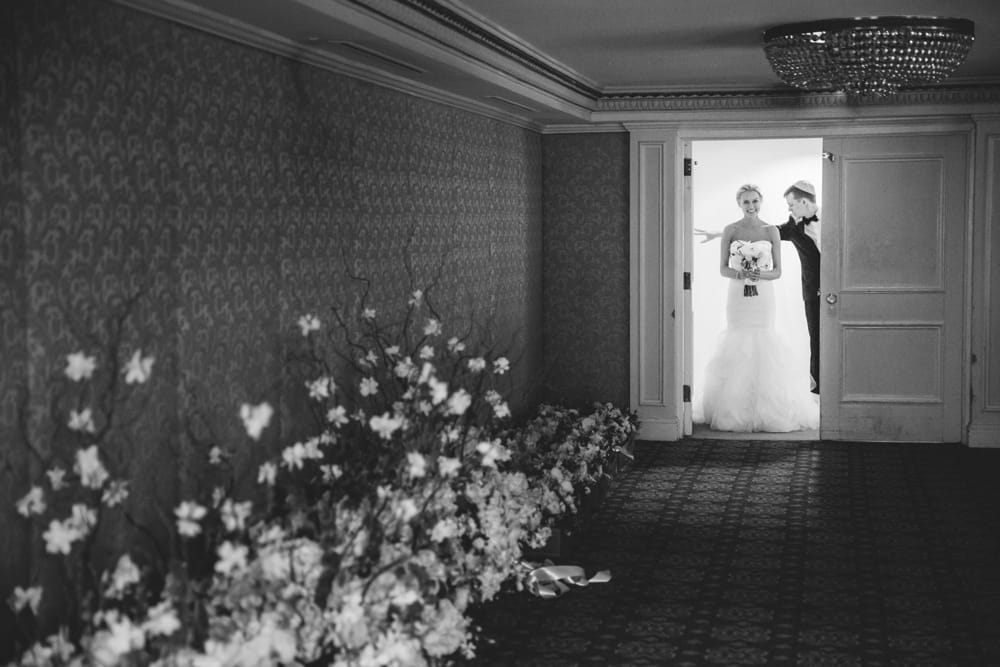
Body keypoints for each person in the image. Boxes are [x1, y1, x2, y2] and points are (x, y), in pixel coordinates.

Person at [699, 184, 819, 432]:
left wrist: (758, 275)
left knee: (763, 339)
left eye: (755, 201)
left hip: (763, 294)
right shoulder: (730, 230)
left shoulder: (771, 230)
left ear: (761, 202)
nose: (751, 206)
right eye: (746, 202)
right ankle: (734, 408)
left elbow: (777, 272)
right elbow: (723, 268)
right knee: (737, 340)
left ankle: (768, 409)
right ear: (739, 204)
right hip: (737, 294)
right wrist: (740, 272)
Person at [776, 180, 821, 394]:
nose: (789, 209)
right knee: (817, 340)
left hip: (840, 292)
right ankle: (818, 391)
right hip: (813, 294)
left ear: (803, 201)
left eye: (791, 204)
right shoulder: (794, 227)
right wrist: (726, 233)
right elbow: (769, 232)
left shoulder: (838, 214)